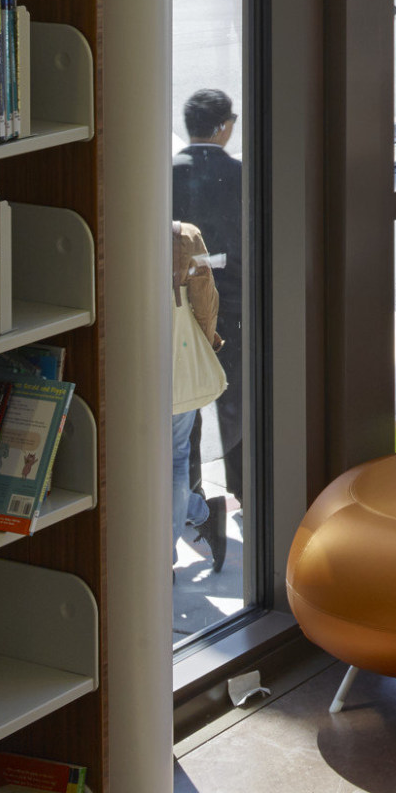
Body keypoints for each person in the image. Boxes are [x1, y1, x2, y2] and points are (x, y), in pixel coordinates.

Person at [172, 89, 244, 552]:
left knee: (186, 406)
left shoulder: (167, 174)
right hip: (233, 302)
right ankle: (243, 485)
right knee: (235, 401)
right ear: (223, 126)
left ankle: (193, 494)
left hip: (180, 308)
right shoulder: (240, 173)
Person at [171, 219, 227, 573]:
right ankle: (201, 512)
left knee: (156, 463)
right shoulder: (183, 236)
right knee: (174, 460)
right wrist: (207, 345)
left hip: (128, 364)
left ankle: (164, 561)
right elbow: (205, 301)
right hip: (175, 359)